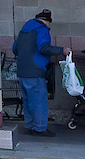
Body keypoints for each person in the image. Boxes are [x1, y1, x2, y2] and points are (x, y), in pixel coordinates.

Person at [12, 8, 70, 136]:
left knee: (27, 101)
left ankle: (29, 126)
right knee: (39, 101)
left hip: (22, 71)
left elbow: (15, 49)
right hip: (35, 71)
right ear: (47, 22)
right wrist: (62, 50)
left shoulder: (24, 30)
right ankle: (39, 128)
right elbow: (44, 48)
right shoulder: (42, 30)